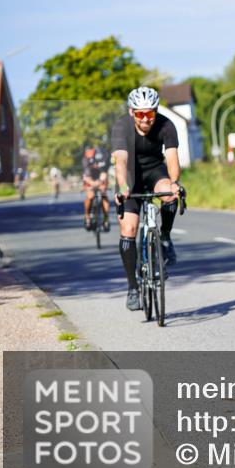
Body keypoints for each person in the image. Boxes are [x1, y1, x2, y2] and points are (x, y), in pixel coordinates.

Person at [111, 87, 183, 311]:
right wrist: (123, 187)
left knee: (170, 193)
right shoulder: (121, 127)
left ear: (156, 111)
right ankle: (133, 287)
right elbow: (121, 161)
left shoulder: (166, 125)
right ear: (132, 112)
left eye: (150, 114)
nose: (145, 119)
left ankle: (164, 237)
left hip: (154, 172)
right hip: (130, 177)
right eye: (140, 114)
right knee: (129, 229)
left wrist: (174, 183)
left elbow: (172, 160)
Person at [81, 146, 109, 229]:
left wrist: (100, 183)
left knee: (103, 194)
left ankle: (105, 218)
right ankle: (87, 216)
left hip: (100, 176)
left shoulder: (105, 158)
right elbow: (86, 176)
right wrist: (92, 184)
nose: (97, 164)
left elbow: (104, 174)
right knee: (90, 196)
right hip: (90, 176)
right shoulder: (87, 159)